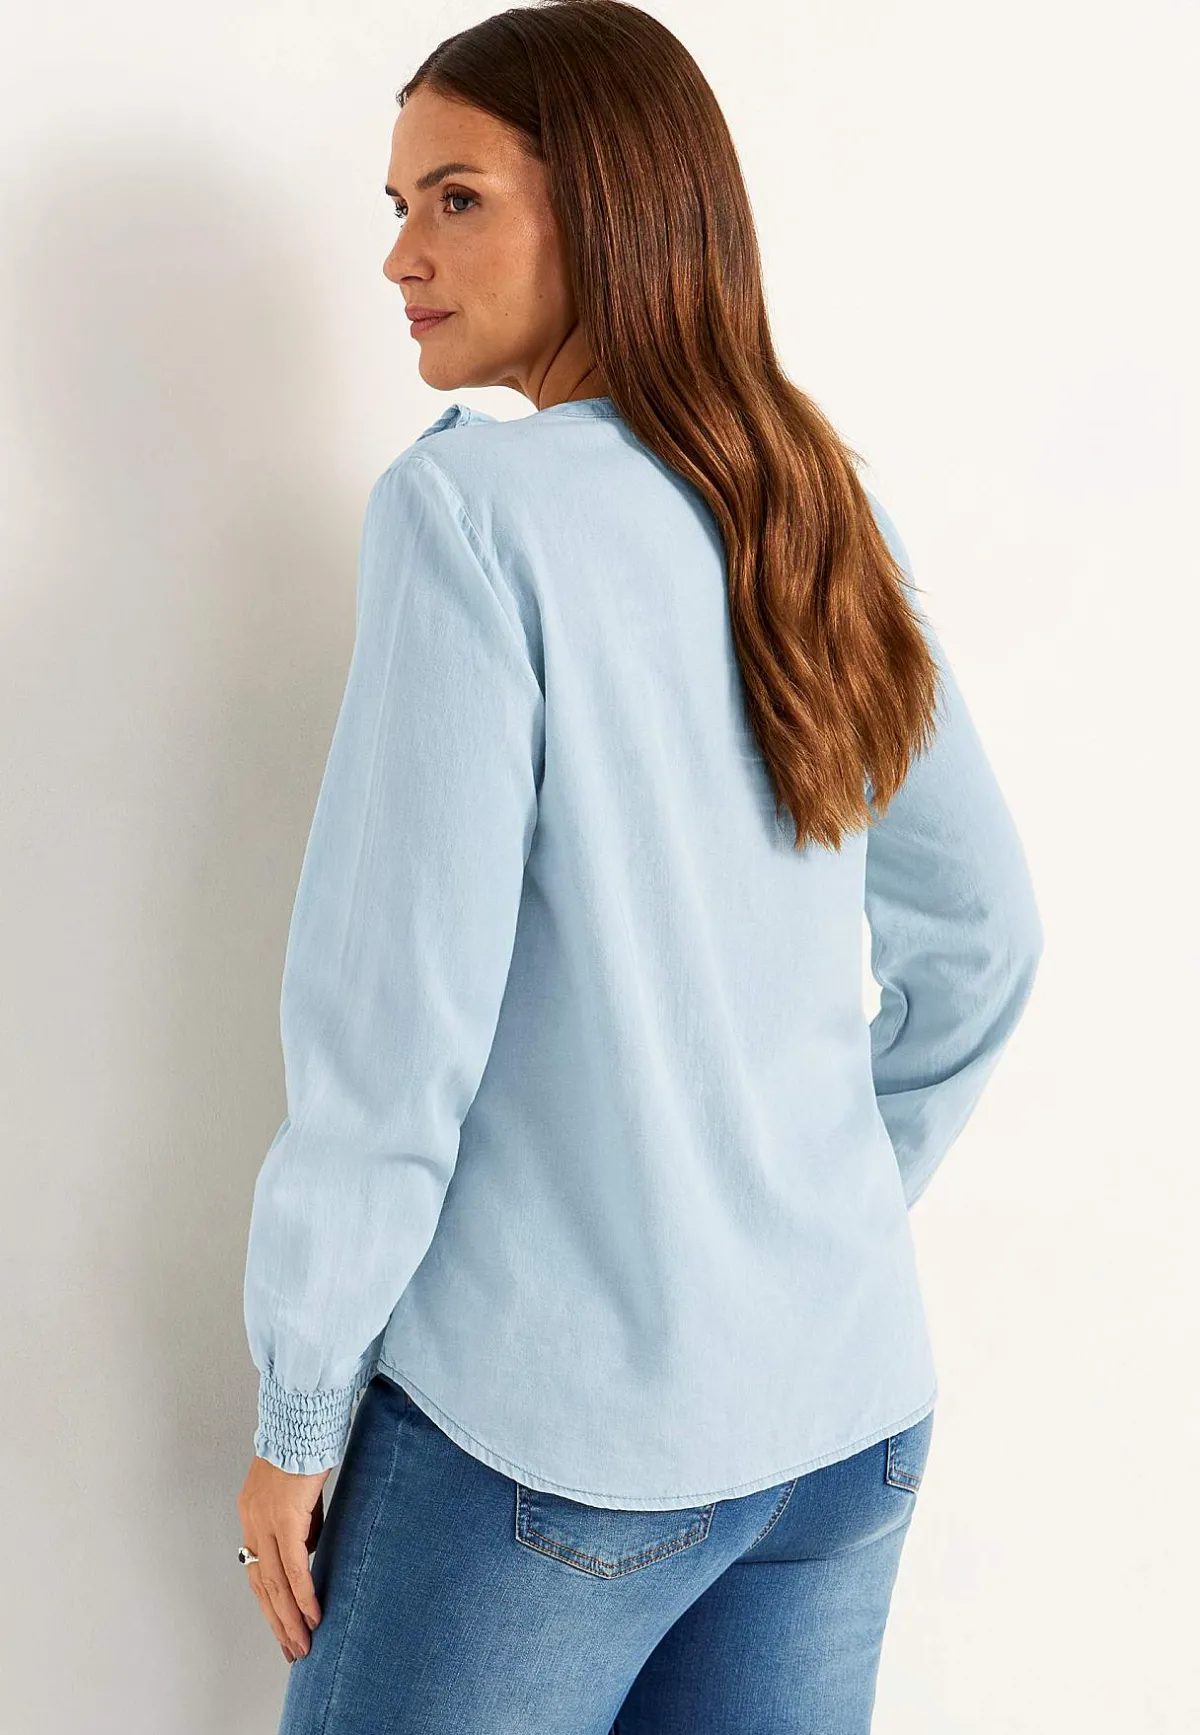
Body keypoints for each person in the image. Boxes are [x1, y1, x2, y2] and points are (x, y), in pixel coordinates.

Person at [235, 3, 1043, 1730]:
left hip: (553, 1443)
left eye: (455, 199)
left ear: (607, 200)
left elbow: (391, 1040)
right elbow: (982, 935)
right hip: (842, 1418)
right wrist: (802, 1217)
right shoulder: (812, 495)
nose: (398, 256)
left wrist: (297, 1416)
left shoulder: (471, 517)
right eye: (396, 205)